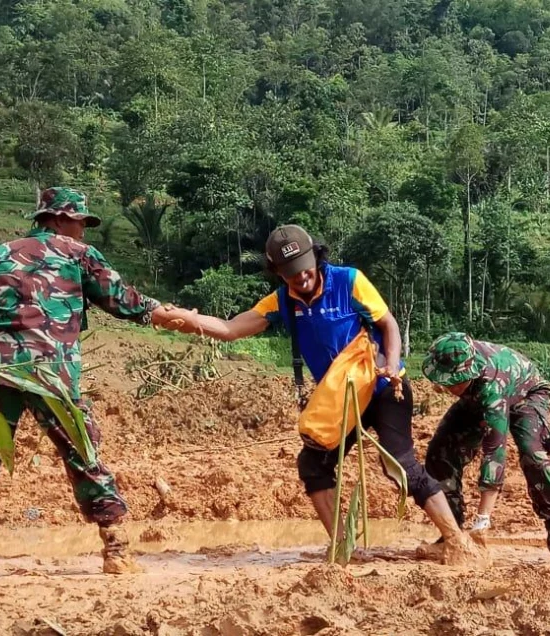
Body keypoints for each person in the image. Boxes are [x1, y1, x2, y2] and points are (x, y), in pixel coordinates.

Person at [0, 186, 199, 578]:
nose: (83, 230)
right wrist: (168, 314)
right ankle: (116, 552)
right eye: (80, 222)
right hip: (52, 375)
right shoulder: (79, 255)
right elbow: (123, 300)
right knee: (83, 455)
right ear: (60, 219)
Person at [181, 224, 478, 562]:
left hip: (381, 386)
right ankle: (342, 547)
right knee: (312, 463)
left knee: (399, 464)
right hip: (339, 398)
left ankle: (457, 540)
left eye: (305, 268)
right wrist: (185, 319)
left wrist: (393, 365)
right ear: (278, 272)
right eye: (291, 273)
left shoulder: (349, 281)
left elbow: (388, 324)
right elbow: (232, 328)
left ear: (316, 257)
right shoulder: (281, 302)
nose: (301, 277)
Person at [421, 332, 550, 559]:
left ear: (470, 373)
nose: (449, 387)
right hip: (478, 396)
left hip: (526, 395)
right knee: (439, 452)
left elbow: (494, 451)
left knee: (533, 455)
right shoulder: (462, 366)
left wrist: (483, 519)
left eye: (455, 381)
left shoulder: (491, 386)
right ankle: (452, 534)